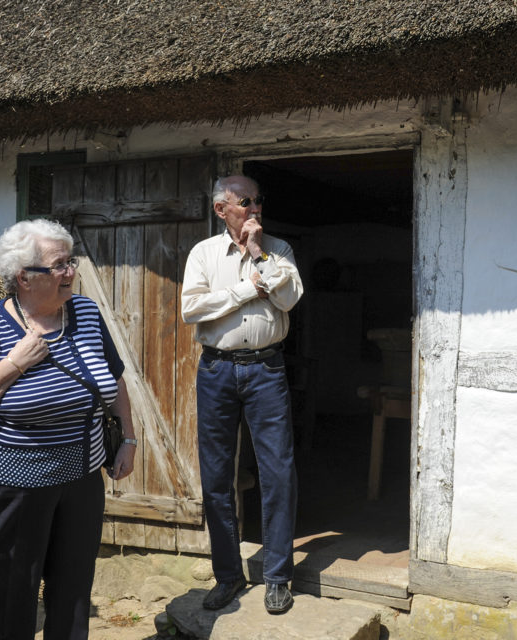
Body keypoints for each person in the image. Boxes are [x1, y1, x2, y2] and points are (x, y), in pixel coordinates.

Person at [0, 218, 135, 640]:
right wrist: (14, 363)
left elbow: (114, 378)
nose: (71, 272)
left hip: (82, 477)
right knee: (11, 592)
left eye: (71, 262)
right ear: (23, 277)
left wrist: (129, 438)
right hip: (14, 486)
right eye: (59, 265)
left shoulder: (84, 311)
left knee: (72, 591)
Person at [180, 175, 304, 614]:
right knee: (216, 477)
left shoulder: (279, 250)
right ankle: (228, 576)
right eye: (245, 202)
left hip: (267, 369)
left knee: (278, 471)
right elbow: (190, 309)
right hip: (216, 369)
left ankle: (277, 577)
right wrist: (247, 290)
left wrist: (258, 254)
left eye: (259, 201)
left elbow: (288, 299)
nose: (255, 209)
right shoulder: (203, 253)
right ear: (222, 209)